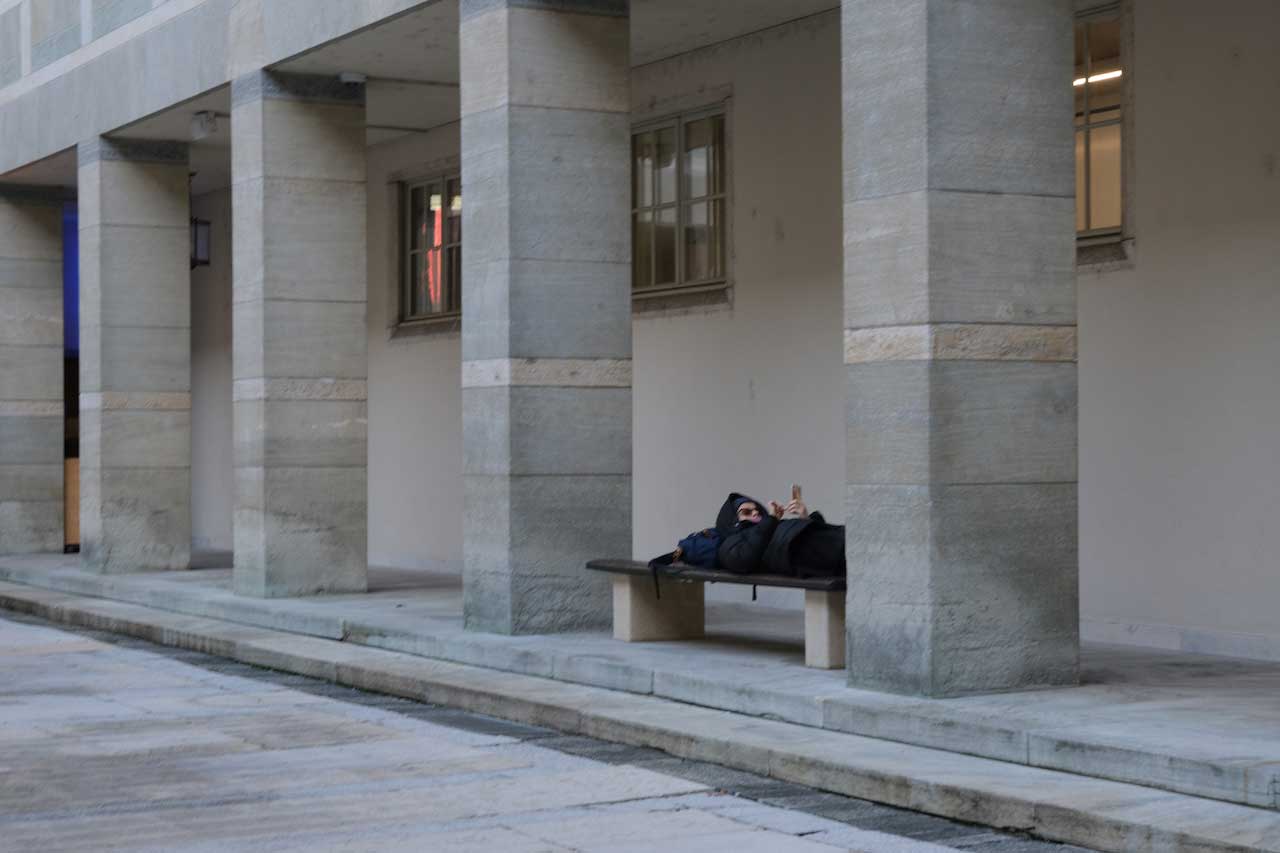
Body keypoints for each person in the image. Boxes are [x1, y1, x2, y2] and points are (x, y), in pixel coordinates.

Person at [712, 492, 845, 578]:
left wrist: (805, 518)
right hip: (806, 551)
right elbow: (741, 560)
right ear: (733, 521)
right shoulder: (730, 542)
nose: (755, 513)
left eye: (756, 510)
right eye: (746, 512)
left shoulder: (767, 526)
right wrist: (771, 520)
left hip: (821, 542)